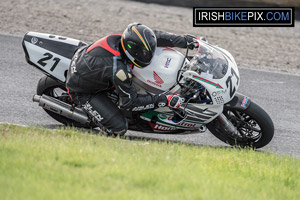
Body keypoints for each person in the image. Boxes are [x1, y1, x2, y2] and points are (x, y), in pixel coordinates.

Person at [66, 23, 198, 136]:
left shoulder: (129, 41)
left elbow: (157, 37)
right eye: (145, 54)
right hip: (83, 90)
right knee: (118, 129)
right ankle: (94, 119)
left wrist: (186, 41)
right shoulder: (120, 71)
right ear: (133, 51)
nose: (148, 55)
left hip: (90, 62)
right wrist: (164, 100)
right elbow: (129, 103)